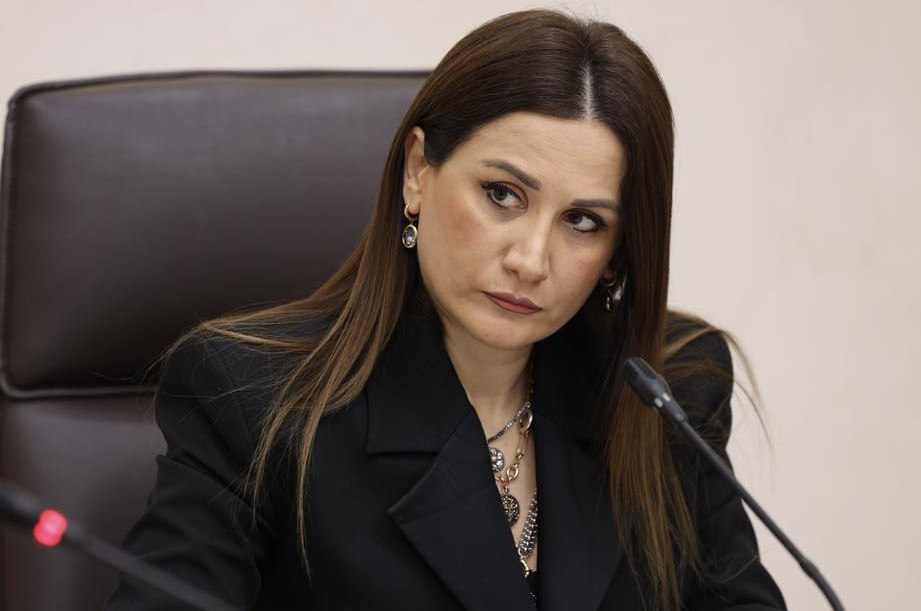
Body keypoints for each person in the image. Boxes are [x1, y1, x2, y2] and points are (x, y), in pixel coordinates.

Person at [105, 9, 786, 611]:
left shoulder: (669, 392)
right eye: (502, 195)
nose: (531, 259)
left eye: (583, 221)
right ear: (418, 172)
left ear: (617, 252)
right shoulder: (254, 400)